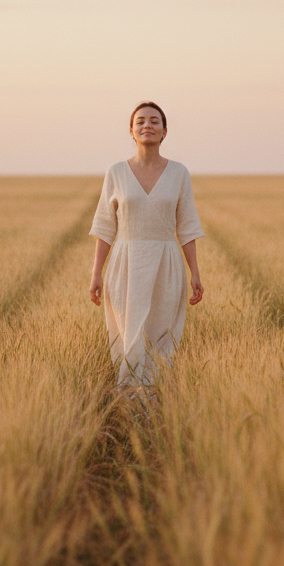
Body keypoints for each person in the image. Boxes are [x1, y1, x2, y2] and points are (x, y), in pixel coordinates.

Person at [88, 101, 205, 387]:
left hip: (166, 264)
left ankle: (156, 404)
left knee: (162, 339)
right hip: (125, 265)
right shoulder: (116, 172)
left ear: (164, 131)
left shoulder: (179, 173)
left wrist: (195, 274)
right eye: (140, 121)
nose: (147, 126)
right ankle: (129, 403)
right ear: (131, 131)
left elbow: (187, 227)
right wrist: (96, 274)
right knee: (129, 337)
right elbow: (105, 227)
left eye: (154, 121)